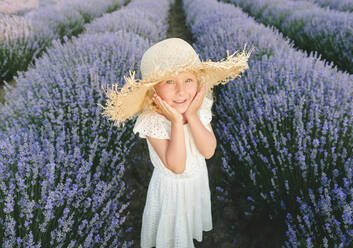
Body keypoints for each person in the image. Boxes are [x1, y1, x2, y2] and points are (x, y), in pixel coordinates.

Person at [99, 37, 254, 248]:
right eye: (170, 82)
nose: (181, 91)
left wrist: (192, 115)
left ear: (198, 84)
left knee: (188, 229)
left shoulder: (200, 108)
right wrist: (176, 122)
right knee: (171, 237)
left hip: (196, 182)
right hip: (171, 193)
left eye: (188, 80)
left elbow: (208, 151)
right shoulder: (152, 120)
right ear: (154, 92)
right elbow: (177, 166)